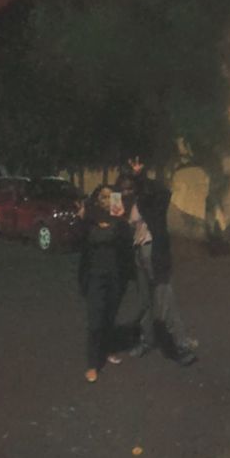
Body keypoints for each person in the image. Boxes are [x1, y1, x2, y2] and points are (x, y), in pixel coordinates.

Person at [119, 157, 197, 366]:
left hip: (154, 251)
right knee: (145, 301)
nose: (127, 190)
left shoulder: (154, 197)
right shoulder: (131, 200)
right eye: (125, 187)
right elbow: (121, 220)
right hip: (138, 252)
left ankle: (181, 344)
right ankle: (147, 339)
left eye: (131, 186)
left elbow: (161, 192)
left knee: (166, 300)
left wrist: (139, 177)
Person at [78, 186, 133, 383]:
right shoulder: (89, 221)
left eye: (111, 196)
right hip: (95, 278)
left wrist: (122, 219)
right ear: (96, 199)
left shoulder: (118, 222)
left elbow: (127, 244)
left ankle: (108, 349)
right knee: (95, 321)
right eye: (103, 196)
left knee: (109, 317)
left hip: (115, 278)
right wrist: (81, 217)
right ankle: (93, 364)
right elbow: (78, 241)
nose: (107, 199)